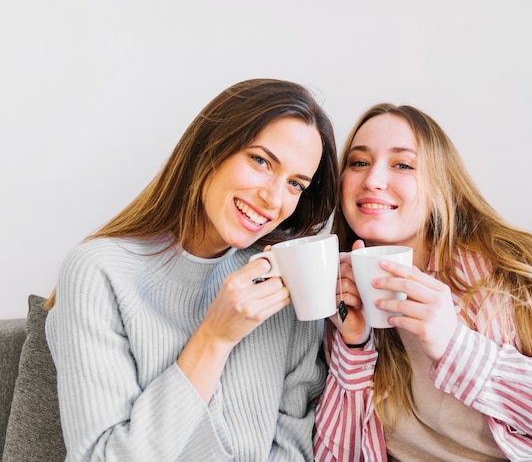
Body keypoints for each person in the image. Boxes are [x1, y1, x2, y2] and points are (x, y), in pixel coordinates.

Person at [45, 78, 339, 461]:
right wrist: (213, 339)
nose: (274, 199)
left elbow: (294, 448)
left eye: (296, 184)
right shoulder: (99, 273)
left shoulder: (283, 278)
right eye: (261, 161)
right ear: (211, 149)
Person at [314, 103, 532, 461]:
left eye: (402, 164)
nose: (372, 180)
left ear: (438, 184)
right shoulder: (338, 293)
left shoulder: (510, 271)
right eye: (358, 162)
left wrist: (456, 346)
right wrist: (353, 348)